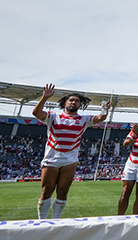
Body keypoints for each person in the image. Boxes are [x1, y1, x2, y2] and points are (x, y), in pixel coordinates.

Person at [33, 83, 110, 219]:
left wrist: (104, 110)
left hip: (70, 160)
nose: (73, 102)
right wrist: (44, 98)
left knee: (63, 191)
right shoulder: (53, 116)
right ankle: (42, 221)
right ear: (65, 103)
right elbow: (36, 113)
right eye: (71, 100)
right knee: (46, 190)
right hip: (52, 158)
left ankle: (55, 220)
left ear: (80, 105)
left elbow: (101, 118)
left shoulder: (83, 120)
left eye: (77, 101)